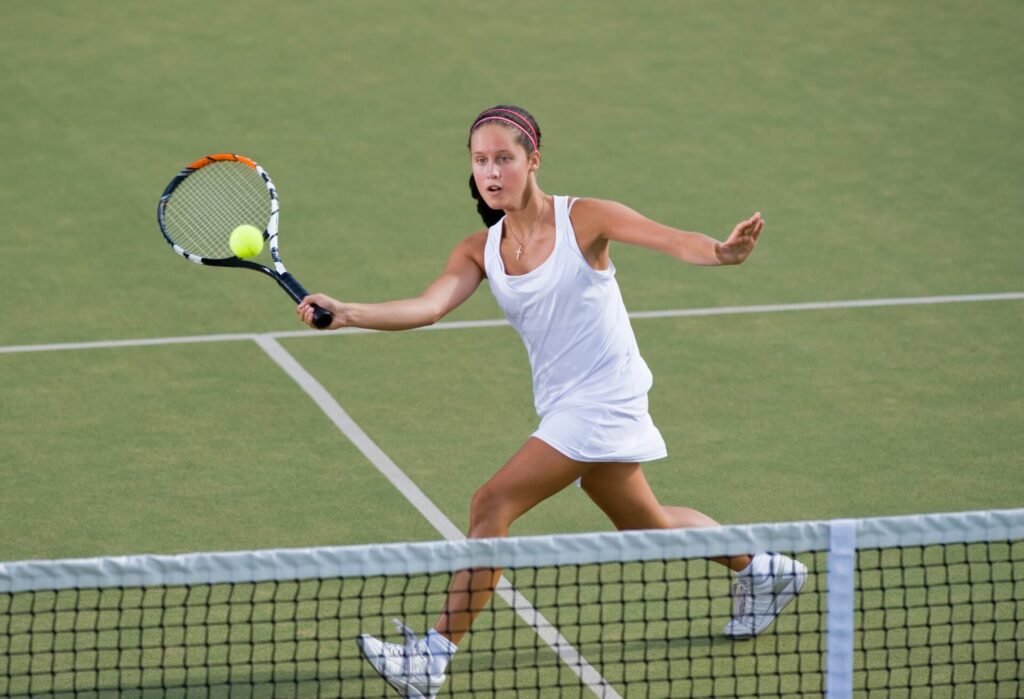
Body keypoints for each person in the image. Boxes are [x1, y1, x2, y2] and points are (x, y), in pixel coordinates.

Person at [298, 105, 806, 698]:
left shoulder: (584, 218)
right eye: (480, 160)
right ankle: (765, 571)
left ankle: (430, 658)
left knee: (491, 503)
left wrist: (721, 252)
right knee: (650, 526)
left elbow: (671, 240)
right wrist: (350, 314)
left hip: (605, 397)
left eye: (504, 159)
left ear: (532, 160)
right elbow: (428, 307)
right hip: (566, 403)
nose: (491, 172)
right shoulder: (478, 250)